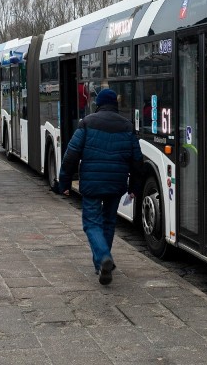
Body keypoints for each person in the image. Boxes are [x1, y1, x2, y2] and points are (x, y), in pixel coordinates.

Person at [58, 88, 142, 285]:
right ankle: (101, 264)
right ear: (116, 104)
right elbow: (137, 161)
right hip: (116, 184)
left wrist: (65, 182)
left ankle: (103, 257)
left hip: (92, 184)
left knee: (91, 223)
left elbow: (71, 155)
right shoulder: (127, 127)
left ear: (98, 104)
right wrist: (134, 187)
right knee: (108, 222)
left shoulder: (87, 123)